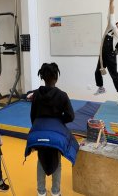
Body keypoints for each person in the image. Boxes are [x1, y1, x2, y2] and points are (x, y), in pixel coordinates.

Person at [28, 63, 76, 196]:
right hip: (56, 135)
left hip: (39, 131)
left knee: (41, 160)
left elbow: (33, 116)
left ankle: (41, 192)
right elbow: (71, 116)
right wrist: (59, 122)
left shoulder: (36, 95)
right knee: (57, 161)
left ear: (42, 77)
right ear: (56, 77)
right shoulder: (62, 95)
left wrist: (38, 130)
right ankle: (55, 192)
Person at [94, 0, 118, 106]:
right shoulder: (109, 29)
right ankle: (101, 87)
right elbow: (110, 17)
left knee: (114, 76)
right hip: (102, 55)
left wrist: (112, 3)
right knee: (97, 71)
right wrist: (110, 4)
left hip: (111, 56)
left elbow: (112, 21)